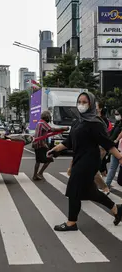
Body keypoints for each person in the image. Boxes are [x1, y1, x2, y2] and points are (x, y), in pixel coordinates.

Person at [47, 92, 122, 231]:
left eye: (84, 102)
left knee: (73, 189)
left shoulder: (95, 123)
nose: (81, 105)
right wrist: (55, 150)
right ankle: (117, 210)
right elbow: (69, 142)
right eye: (79, 102)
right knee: (90, 192)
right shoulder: (77, 121)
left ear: (91, 104)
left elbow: (107, 143)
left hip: (89, 161)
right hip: (79, 159)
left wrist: (120, 157)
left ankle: (71, 222)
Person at [32, 111, 67, 181]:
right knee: (49, 159)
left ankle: (35, 175)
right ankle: (39, 173)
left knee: (38, 161)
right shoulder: (43, 123)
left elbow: (48, 131)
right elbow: (51, 129)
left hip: (36, 144)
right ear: (47, 117)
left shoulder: (39, 122)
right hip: (41, 144)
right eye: (49, 117)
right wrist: (62, 128)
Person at [106, 107, 122, 187]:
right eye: (115, 114)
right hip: (115, 149)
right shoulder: (117, 123)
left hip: (119, 148)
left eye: (117, 114)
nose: (116, 116)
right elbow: (112, 135)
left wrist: (116, 140)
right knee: (112, 168)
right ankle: (106, 185)